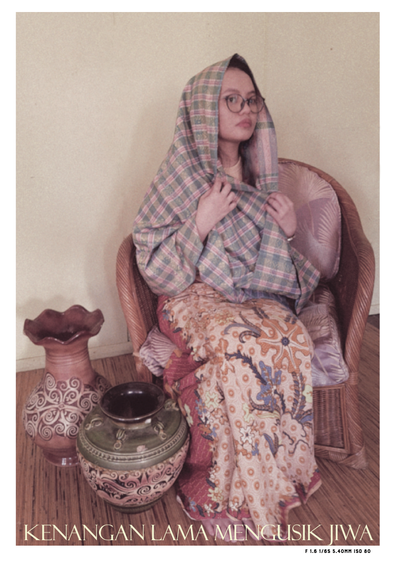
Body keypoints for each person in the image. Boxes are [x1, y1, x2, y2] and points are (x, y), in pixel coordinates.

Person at [133, 54, 321, 542]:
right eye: (231, 100)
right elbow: (153, 262)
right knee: (236, 343)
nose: (245, 110)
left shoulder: (263, 175)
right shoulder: (180, 175)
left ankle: (273, 479)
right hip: (192, 292)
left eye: (251, 101)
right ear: (202, 109)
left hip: (251, 290)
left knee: (290, 338)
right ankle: (222, 491)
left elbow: (273, 262)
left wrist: (287, 230)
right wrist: (201, 221)